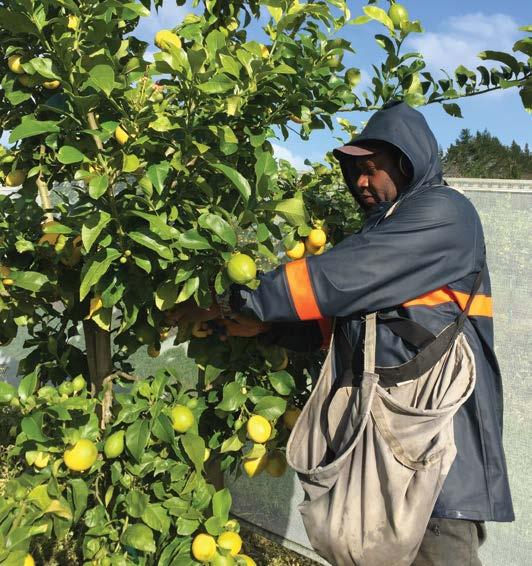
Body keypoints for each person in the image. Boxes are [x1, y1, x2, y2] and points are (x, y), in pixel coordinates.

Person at [166, 101, 514, 565]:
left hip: (440, 465)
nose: (361, 183)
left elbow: (335, 280)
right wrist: (267, 327)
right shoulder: (386, 229)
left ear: (408, 164)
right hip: (394, 456)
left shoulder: (445, 214)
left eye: (372, 170)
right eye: (356, 173)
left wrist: (230, 299)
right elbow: (356, 329)